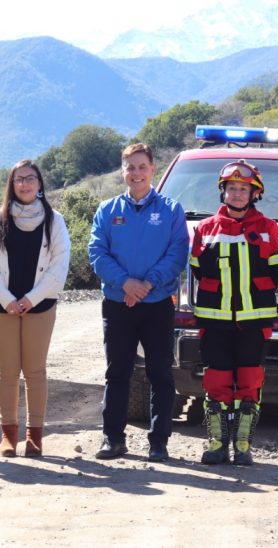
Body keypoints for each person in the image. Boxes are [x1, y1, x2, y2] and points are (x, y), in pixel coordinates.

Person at [88, 143, 189, 461]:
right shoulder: (108, 210)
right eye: (130, 167)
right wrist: (126, 284)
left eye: (141, 166)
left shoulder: (171, 210)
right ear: (123, 171)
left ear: (152, 169)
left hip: (157, 303)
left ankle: (158, 443)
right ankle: (113, 439)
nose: (136, 173)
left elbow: (177, 253)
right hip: (118, 304)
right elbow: (97, 252)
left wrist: (146, 285)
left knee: (160, 373)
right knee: (117, 372)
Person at [190, 160, 278, 465]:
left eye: (243, 188)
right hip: (214, 321)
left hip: (254, 321)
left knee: (250, 381)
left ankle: (244, 445)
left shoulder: (268, 228)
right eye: (231, 188)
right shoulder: (205, 229)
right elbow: (196, 269)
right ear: (223, 191)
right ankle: (217, 443)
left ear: (254, 193)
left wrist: (254, 294)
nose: (236, 193)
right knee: (216, 382)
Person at [0, 160, 71, 457]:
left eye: (30, 178)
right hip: (2, 305)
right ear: (12, 184)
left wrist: (31, 298)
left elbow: (59, 265)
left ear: (40, 184)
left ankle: (35, 436)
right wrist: (7, 299)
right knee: (6, 371)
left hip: (40, 306)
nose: (25, 184)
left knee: (35, 371)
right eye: (19, 179)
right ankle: (8, 434)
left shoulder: (54, 221)